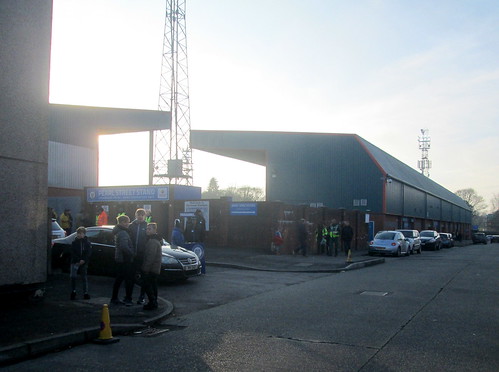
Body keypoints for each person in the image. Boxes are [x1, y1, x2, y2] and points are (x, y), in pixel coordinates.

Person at [110, 215, 135, 306]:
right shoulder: (123, 233)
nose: (128, 224)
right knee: (127, 279)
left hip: (120, 258)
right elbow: (124, 246)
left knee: (119, 279)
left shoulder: (118, 231)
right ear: (122, 222)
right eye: (127, 222)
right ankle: (125, 299)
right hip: (124, 259)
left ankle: (114, 297)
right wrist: (132, 253)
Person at [129, 209, 148, 304]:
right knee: (130, 277)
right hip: (132, 256)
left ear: (144, 216)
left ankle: (141, 297)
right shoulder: (131, 226)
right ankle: (128, 297)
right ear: (135, 215)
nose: (140, 216)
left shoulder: (147, 226)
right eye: (138, 214)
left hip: (142, 256)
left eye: (142, 215)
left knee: (143, 277)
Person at [141, 223, 162, 310]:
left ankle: (152, 302)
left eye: (149, 229)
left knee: (148, 286)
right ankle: (153, 302)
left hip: (151, 269)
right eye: (147, 229)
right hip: (155, 268)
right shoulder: (153, 240)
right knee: (153, 286)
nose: (147, 230)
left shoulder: (152, 241)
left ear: (154, 230)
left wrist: (145, 268)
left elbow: (150, 257)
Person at [70, 226, 92, 300]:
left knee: (84, 277)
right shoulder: (74, 242)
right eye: (78, 233)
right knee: (73, 277)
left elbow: (88, 253)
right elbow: (73, 252)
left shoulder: (87, 243)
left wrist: (83, 260)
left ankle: (85, 293)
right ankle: (73, 291)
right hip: (75, 262)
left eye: (81, 233)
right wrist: (78, 260)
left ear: (84, 234)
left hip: (83, 262)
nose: (79, 235)